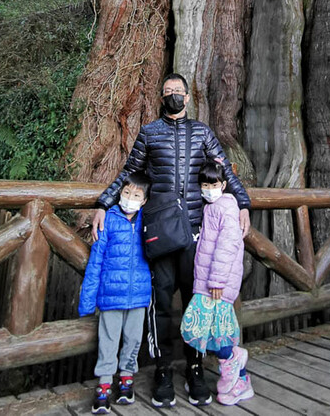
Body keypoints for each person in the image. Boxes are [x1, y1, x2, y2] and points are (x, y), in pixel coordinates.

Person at [91, 73, 251, 408]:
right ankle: (163, 369)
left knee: (196, 304)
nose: (173, 96)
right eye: (168, 92)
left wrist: (244, 204)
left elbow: (224, 171)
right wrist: (104, 203)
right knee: (161, 306)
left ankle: (195, 369)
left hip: (195, 232)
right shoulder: (150, 132)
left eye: (178, 92)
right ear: (161, 97)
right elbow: (129, 172)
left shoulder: (202, 133)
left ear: (188, 97)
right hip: (161, 232)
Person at [180, 160, 254, 406]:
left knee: (218, 332)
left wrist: (216, 280)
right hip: (206, 282)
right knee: (205, 329)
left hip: (217, 283)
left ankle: (235, 362)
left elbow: (227, 246)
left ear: (223, 185)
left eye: (213, 184)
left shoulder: (226, 207)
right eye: (204, 184)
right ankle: (240, 379)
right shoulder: (211, 207)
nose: (208, 189)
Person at [79, 172, 152, 414]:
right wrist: (87, 302)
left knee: (133, 339)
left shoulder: (148, 222)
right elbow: (95, 262)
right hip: (110, 294)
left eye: (136, 195)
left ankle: (127, 378)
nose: (130, 198)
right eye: (126, 193)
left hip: (139, 294)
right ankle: (103, 385)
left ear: (144, 200)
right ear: (119, 193)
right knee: (108, 340)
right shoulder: (108, 220)